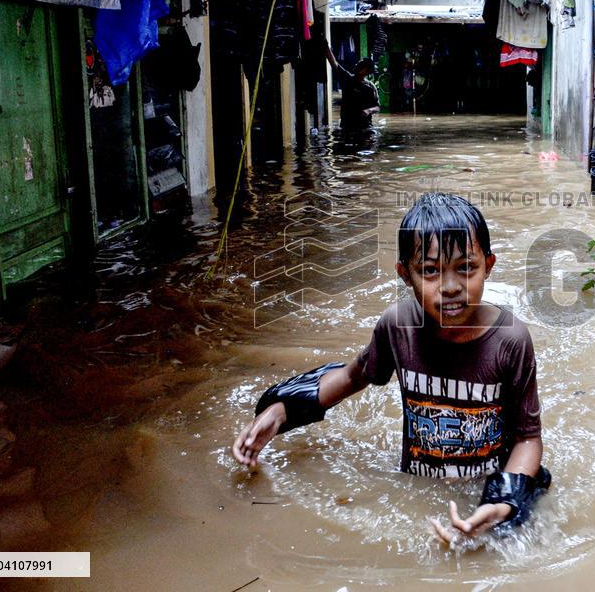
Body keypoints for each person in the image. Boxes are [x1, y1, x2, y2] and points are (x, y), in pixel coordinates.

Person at [232, 193, 551, 544]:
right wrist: (281, 409)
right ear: (404, 274)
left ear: (488, 265)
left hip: (486, 490)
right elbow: (354, 376)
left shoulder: (510, 340)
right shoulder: (397, 328)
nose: (450, 286)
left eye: (466, 267)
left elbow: (527, 438)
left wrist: (503, 501)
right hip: (417, 489)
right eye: (430, 271)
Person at [335, 57, 380, 130]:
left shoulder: (371, 87)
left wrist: (369, 110)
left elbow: (377, 107)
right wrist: (325, 48)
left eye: (361, 64)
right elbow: (334, 64)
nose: (356, 65)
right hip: (347, 126)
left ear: (367, 71)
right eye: (358, 63)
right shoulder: (347, 79)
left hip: (365, 127)